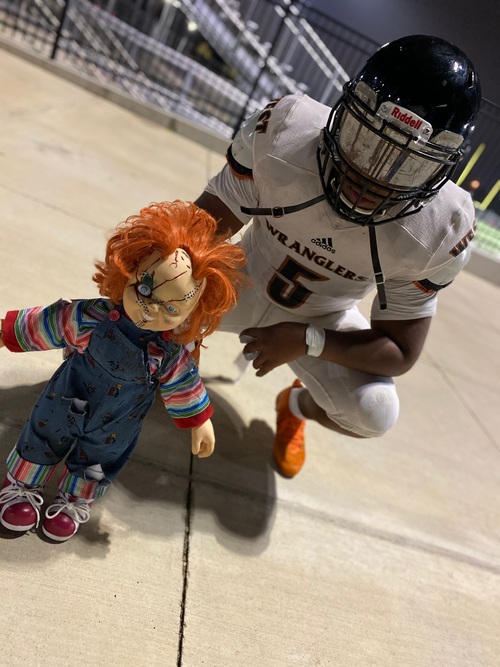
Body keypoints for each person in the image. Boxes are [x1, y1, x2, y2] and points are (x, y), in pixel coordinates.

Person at [194, 34, 481, 477]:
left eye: (410, 163)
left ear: (441, 168)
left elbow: (401, 349)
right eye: (365, 139)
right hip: (241, 276)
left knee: (375, 412)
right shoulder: (287, 130)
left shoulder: (442, 226)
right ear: (343, 112)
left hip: (323, 316)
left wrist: (310, 340)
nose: (372, 176)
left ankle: (294, 405)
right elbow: (199, 233)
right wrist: (176, 312)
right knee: (148, 287)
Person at [0, 201, 246, 541]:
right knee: (43, 436)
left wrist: (199, 420)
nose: (150, 310)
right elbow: (53, 321)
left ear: (193, 313)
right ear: (128, 270)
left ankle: (74, 500)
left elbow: (183, 384)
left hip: (117, 423)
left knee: (98, 460)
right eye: (144, 290)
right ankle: (22, 486)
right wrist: (7, 332)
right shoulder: (93, 317)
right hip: (66, 397)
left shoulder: (169, 353)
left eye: (171, 308)